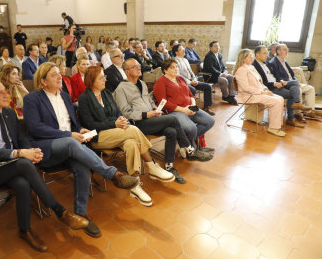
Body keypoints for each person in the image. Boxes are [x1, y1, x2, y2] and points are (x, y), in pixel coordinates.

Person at [0, 79, 88, 252]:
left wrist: (31, 150)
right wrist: (21, 153)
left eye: (5, 90)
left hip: (11, 164)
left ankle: (24, 230)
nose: (6, 94)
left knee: (23, 184)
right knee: (24, 164)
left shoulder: (9, 113)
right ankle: (60, 211)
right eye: (0, 92)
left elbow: (20, 138)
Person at [23, 62, 140, 237]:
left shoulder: (65, 96)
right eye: (54, 74)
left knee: (82, 166)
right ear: (43, 81)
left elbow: (73, 123)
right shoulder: (32, 98)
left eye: (59, 73)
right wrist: (69, 135)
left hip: (71, 145)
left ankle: (80, 214)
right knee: (71, 143)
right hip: (48, 148)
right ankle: (113, 175)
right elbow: (34, 128)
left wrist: (79, 131)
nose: (59, 76)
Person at [79, 66, 174, 206]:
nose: (105, 79)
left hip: (116, 132)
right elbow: (90, 124)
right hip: (97, 137)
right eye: (101, 77)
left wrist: (121, 120)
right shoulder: (84, 98)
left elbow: (117, 112)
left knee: (132, 143)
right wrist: (115, 124)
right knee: (133, 130)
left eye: (104, 76)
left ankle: (134, 185)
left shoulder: (105, 93)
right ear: (91, 80)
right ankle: (152, 165)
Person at [115, 59, 212, 179]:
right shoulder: (121, 88)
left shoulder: (142, 83)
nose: (139, 68)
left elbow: (150, 101)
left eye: (139, 65)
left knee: (172, 131)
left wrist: (156, 109)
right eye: (135, 66)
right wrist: (147, 114)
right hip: (138, 124)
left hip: (152, 119)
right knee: (172, 119)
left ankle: (169, 165)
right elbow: (125, 112)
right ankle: (189, 149)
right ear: (127, 71)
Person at [153, 58, 216, 155]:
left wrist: (193, 106)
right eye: (172, 67)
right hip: (175, 111)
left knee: (210, 121)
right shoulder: (161, 82)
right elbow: (163, 103)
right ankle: (193, 150)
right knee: (191, 128)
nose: (176, 69)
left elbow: (191, 94)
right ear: (165, 70)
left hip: (189, 107)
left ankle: (184, 142)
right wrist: (183, 110)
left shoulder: (180, 78)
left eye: (177, 66)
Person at [253, 45, 311, 128]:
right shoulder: (254, 66)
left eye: (267, 53)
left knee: (295, 83)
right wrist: (273, 84)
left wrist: (280, 80)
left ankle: (297, 103)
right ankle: (292, 116)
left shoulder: (266, 63)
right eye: (264, 53)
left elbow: (276, 74)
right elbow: (260, 82)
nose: (267, 55)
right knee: (293, 91)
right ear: (257, 54)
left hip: (278, 84)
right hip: (270, 88)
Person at [234, 49, 286, 137]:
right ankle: (273, 128)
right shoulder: (241, 70)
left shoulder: (251, 67)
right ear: (243, 58)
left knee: (280, 98)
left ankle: (277, 125)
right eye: (249, 56)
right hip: (249, 95)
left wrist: (265, 90)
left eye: (252, 55)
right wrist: (262, 92)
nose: (252, 58)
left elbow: (260, 82)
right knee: (276, 102)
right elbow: (245, 87)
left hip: (258, 93)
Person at [268, 44, 321, 121]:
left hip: (292, 82)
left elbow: (292, 74)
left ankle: (309, 112)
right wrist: (293, 82)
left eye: (287, 49)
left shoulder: (284, 61)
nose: (287, 51)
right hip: (285, 83)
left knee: (311, 88)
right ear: (278, 51)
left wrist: (296, 81)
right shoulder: (273, 62)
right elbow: (277, 77)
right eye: (284, 49)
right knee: (297, 90)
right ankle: (297, 113)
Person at [173, 44, 215, 115]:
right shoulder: (175, 61)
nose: (184, 50)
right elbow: (178, 75)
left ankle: (206, 108)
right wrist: (190, 82)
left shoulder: (185, 60)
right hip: (183, 82)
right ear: (176, 52)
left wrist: (195, 79)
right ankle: (191, 110)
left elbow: (191, 72)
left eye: (183, 48)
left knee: (208, 87)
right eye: (181, 49)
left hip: (192, 80)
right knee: (192, 89)